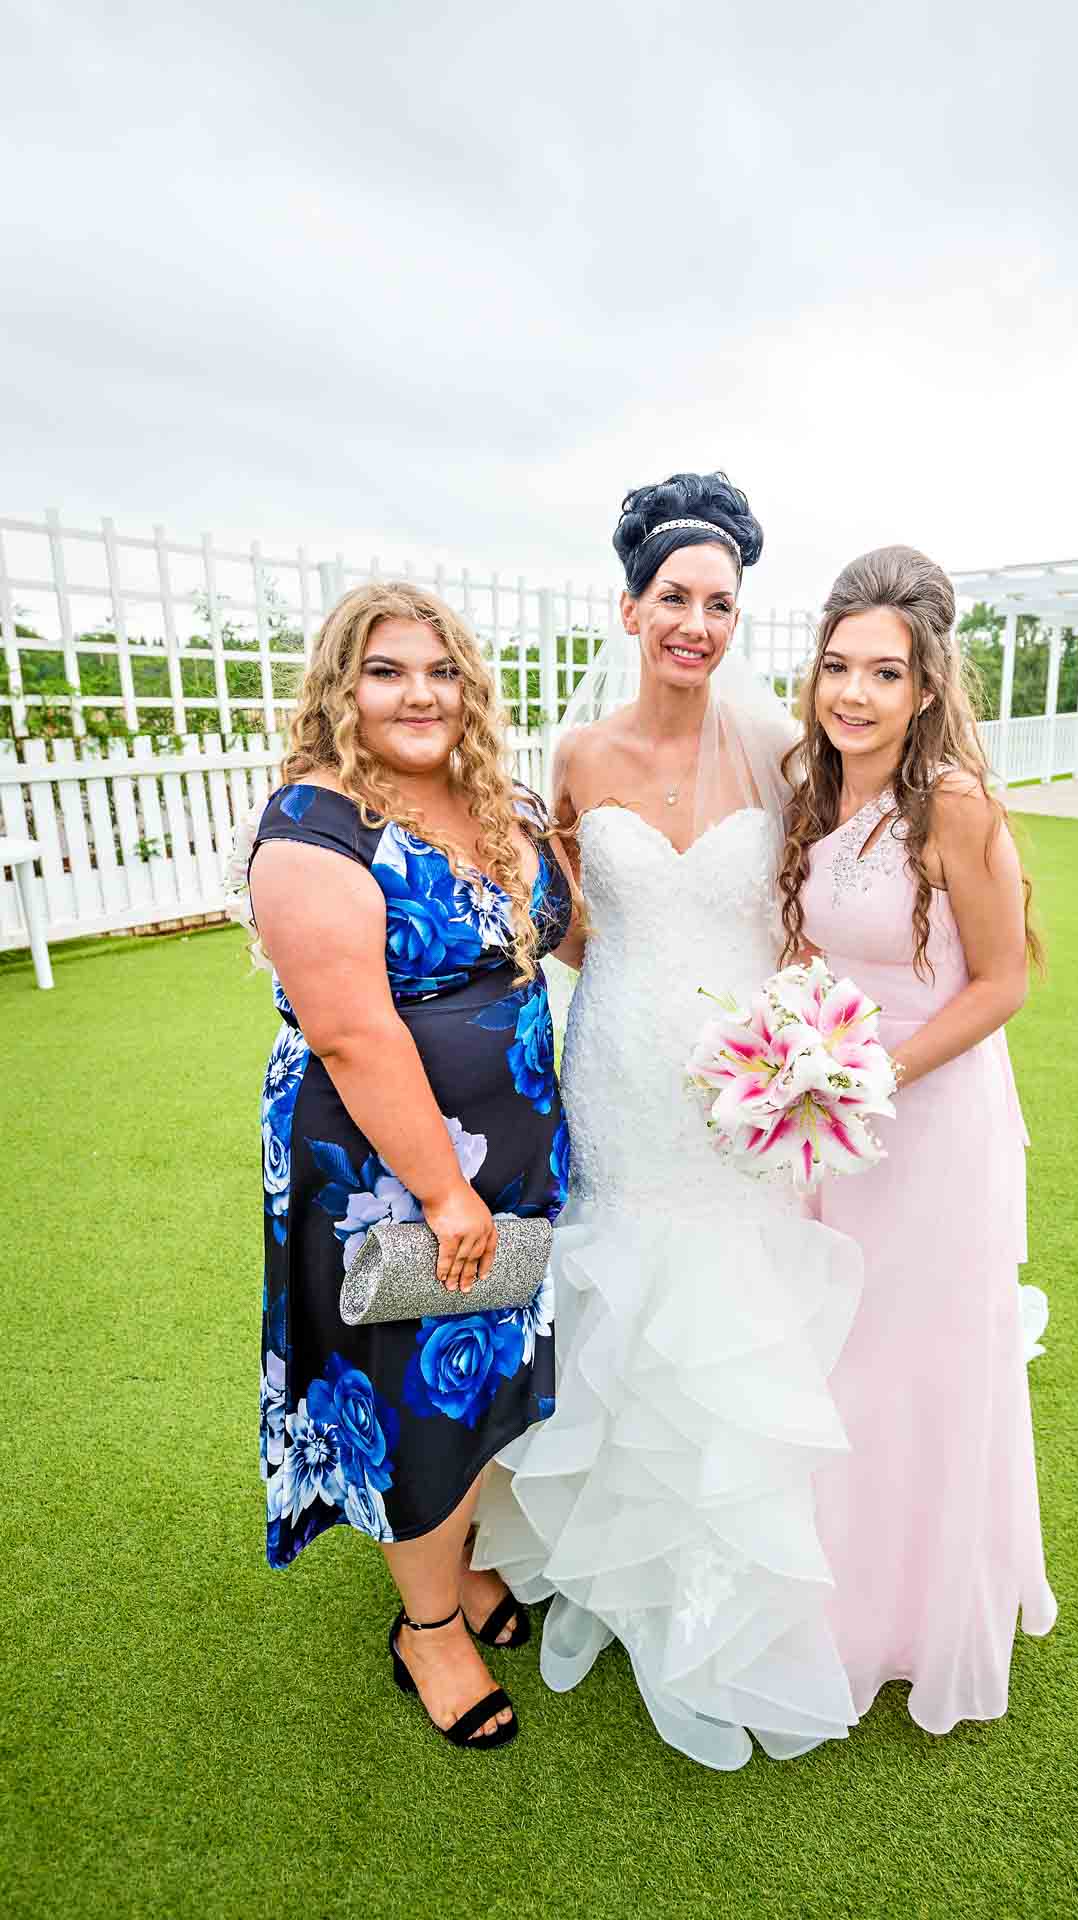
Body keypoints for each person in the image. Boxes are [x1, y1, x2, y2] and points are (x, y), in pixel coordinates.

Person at [474, 473, 865, 1771]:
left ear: (734, 615)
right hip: (624, 1064)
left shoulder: (782, 749)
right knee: (626, 1289)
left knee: (731, 1298)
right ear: (630, 608)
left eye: (719, 602)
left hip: (747, 1077)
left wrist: (790, 1042)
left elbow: (812, 908)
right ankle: (617, 1562)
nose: (695, 621)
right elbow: (576, 921)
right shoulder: (580, 756)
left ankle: (725, 1579)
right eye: (673, 598)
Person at [248, 581, 577, 1752]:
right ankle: (426, 1626)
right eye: (386, 670)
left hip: (516, 1150)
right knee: (416, 1395)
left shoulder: (502, 801)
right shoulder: (315, 830)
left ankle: (459, 1566)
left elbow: (558, 935)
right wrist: (443, 1191)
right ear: (342, 686)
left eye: (440, 669)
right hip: (390, 1174)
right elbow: (353, 1033)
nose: (418, 693)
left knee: (484, 1378)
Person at [780, 544, 1057, 1735]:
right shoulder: (810, 785)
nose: (852, 693)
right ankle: (843, 1595)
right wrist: (795, 1051)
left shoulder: (954, 806)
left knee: (921, 1354)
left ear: (925, 687)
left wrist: (877, 1074)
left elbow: (1003, 982)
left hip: (931, 1120)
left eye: (881, 673)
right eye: (837, 665)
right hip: (827, 1113)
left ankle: (923, 1615)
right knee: (840, 1351)